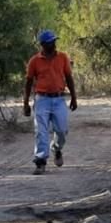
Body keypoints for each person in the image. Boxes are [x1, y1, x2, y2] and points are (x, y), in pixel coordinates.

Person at [24, 29, 77, 175]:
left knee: (62, 130)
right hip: (42, 99)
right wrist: (25, 103)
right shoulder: (34, 61)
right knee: (41, 131)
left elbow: (69, 77)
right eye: (49, 43)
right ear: (42, 45)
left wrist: (74, 97)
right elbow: (28, 82)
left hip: (59, 99)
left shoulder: (62, 57)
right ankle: (40, 161)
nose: (53, 45)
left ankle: (57, 148)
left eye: (54, 41)